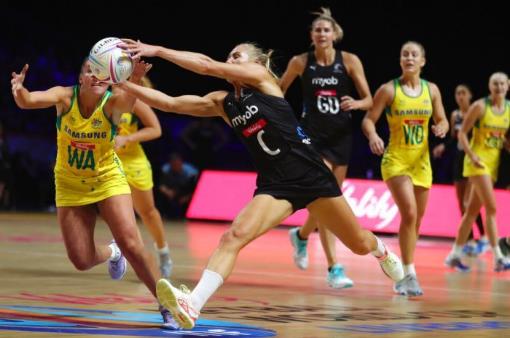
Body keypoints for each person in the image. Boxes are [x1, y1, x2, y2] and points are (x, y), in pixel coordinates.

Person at [118, 38, 404, 329]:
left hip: (311, 175)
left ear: (257, 63)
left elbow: (205, 66)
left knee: (358, 244)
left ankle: (380, 250)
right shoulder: (222, 102)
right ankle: (192, 305)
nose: (230, 61)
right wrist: (123, 84)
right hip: (276, 184)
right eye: (228, 57)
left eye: (236, 56)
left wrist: (159, 51)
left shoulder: (262, 79)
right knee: (233, 236)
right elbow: (170, 103)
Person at [10, 60, 175, 327]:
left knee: (132, 243)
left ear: (109, 79)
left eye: (102, 73)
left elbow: (131, 101)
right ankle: (112, 252)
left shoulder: (113, 103)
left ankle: (168, 305)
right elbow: (29, 101)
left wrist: (134, 76)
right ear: (81, 78)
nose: (96, 76)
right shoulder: (64, 97)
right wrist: (19, 90)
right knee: (81, 260)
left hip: (107, 179)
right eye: (90, 71)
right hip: (70, 185)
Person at [279, 7, 372, 289]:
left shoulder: (350, 61)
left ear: (335, 35)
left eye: (326, 30)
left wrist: (355, 104)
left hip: (341, 137)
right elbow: (278, 93)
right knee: (327, 196)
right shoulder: (300, 62)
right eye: (317, 30)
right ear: (312, 36)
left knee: (329, 202)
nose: (321, 33)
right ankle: (334, 268)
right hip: (313, 138)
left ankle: (301, 235)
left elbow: (368, 99)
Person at [362, 41, 449, 296]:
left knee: (415, 220)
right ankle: (408, 274)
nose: (409, 58)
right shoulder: (389, 90)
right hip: (396, 160)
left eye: (414, 54)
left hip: (421, 163)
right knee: (409, 213)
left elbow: (442, 118)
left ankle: (404, 272)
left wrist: (442, 126)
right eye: (405, 54)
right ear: (401, 61)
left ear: (422, 61)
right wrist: (373, 136)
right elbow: (368, 120)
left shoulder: (431, 90)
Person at [445, 72, 510, 272]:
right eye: (494, 84)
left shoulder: (508, 109)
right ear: (490, 86)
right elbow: (462, 133)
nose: (498, 87)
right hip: (477, 164)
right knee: (491, 209)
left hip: (493, 165)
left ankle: (454, 255)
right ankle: (499, 257)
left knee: (471, 212)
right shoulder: (480, 106)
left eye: (502, 83)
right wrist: (472, 155)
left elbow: (503, 139)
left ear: (508, 85)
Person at [114, 76, 173, 278]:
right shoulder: (98, 98)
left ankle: (163, 253)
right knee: (122, 216)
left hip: (134, 161)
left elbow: (156, 129)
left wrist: (127, 138)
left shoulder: (133, 100)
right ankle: (138, 261)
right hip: (110, 162)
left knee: (147, 212)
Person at [432, 85, 488, 256]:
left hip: (473, 159)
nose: (460, 96)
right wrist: (443, 146)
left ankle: (484, 237)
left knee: (468, 202)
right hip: (458, 161)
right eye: (457, 93)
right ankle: (470, 240)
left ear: (470, 95)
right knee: (461, 205)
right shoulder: (455, 115)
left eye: (464, 93)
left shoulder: (476, 111)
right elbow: (453, 139)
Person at [158, 152, 198, 218]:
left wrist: (187, 197)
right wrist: (167, 192)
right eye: (173, 163)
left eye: (177, 163)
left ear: (181, 163)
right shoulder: (167, 172)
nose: (176, 165)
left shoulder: (190, 174)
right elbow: (161, 185)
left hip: (184, 196)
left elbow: (194, 189)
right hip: (170, 195)